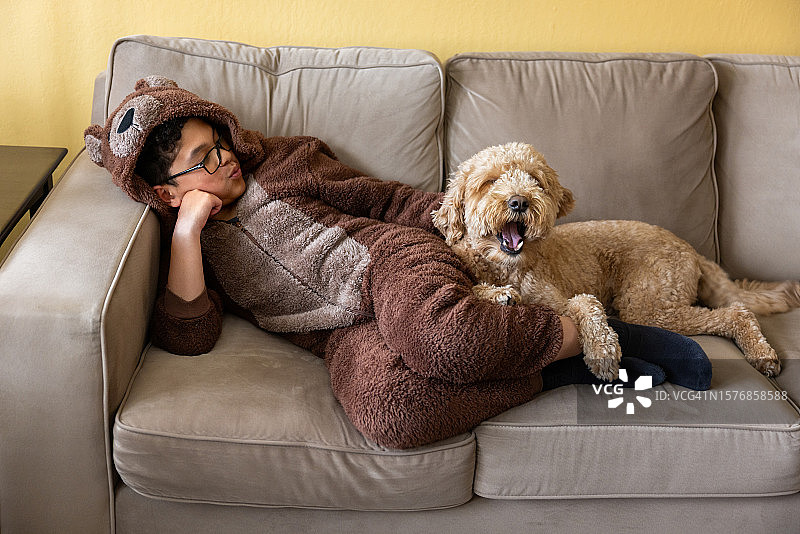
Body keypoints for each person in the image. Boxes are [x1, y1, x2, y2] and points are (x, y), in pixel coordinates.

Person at [85, 77, 711, 449]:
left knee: (442, 337)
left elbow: (384, 198)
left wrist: (465, 220)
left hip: (391, 263)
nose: (223, 160)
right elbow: (188, 336)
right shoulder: (188, 241)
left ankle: (592, 329)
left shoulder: (286, 163)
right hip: (336, 333)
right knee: (392, 413)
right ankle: (564, 363)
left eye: (219, 143)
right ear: (167, 190)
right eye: (202, 160)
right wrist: (189, 231)